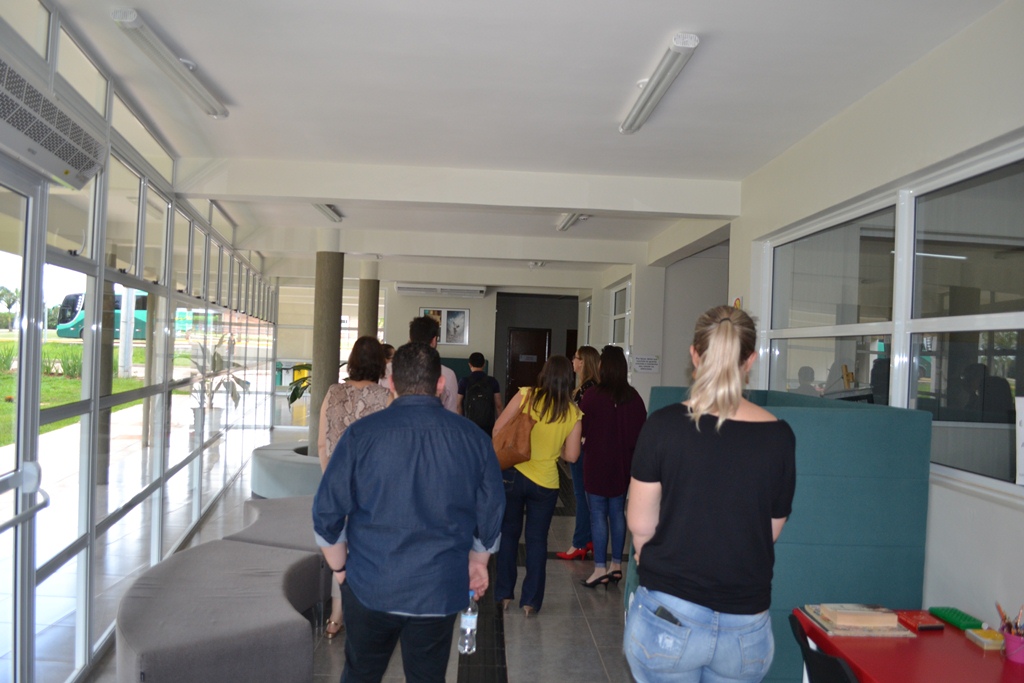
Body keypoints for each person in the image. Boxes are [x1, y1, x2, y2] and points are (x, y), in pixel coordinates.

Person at [313, 342, 504, 683]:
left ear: (391, 383)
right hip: (439, 588)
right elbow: (491, 508)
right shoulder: (474, 439)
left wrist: (341, 570)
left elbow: (327, 512)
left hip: (371, 584)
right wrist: (478, 561)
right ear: (440, 384)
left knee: (360, 673)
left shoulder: (360, 436)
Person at [624, 306, 796, 683]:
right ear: (750, 360)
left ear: (694, 355)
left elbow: (640, 524)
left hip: (669, 617)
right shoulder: (779, 437)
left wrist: (651, 560)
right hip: (745, 627)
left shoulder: (662, 426)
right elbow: (770, 530)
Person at [493, 355, 582, 616]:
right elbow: (572, 456)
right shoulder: (573, 413)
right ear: (568, 379)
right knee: (537, 541)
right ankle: (530, 601)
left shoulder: (527, 395)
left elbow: (497, 429)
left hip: (514, 474)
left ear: (545, 373)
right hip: (545, 483)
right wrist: (556, 448)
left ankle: (504, 594)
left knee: (509, 535)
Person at [317, 336, 392, 638]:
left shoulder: (333, 392)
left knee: (339, 550)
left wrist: (331, 481)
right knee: (372, 549)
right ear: (380, 364)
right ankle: (372, 611)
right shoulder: (386, 397)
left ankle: (336, 616)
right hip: (373, 489)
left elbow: (322, 443)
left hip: (338, 484)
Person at [579, 345, 647, 588]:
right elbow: (641, 433)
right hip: (622, 464)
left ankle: (599, 568)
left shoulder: (591, 396)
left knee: (597, 514)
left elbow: (581, 428)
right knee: (617, 512)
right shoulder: (634, 397)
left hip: (596, 462)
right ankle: (616, 566)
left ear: (603, 367)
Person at [557, 345, 600, 561]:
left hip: (581, 449)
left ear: (582, 362)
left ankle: (579, 542)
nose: (572, 361)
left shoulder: (586, 391)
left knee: (581, 496)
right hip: (587, 449)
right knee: (585, 496)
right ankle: (588, 539)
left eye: (575, 358)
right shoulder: (590, 388)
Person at [409, 316, 459, 412]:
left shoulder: (390, 370)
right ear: (434, 341)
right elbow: (451, 412)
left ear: (410, 339)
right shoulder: (447, 374)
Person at [457, 351, 504, 433]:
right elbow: (498, 405)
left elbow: (458, 405)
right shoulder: (492, 381)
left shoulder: (464, 381)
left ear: (470, 365)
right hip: (488, 425)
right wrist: (501, 425)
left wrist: (461, 423)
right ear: (484, 364)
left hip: (469, 424)